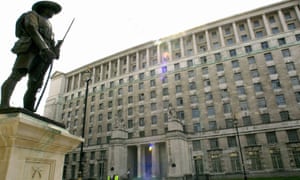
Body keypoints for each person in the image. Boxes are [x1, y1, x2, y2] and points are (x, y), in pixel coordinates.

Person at [0, 1, 62, 111]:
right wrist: (45, 48)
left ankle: (29, 109)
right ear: (44, 8)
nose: (53, 12)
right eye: (51, 9)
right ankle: (4, 104)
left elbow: (50, 44)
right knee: (17, 75)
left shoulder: (49, 25)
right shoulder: (32, 15)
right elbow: (31, 28)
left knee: (35, 83)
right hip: (29, 49)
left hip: (42, 56)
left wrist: (56, 48)